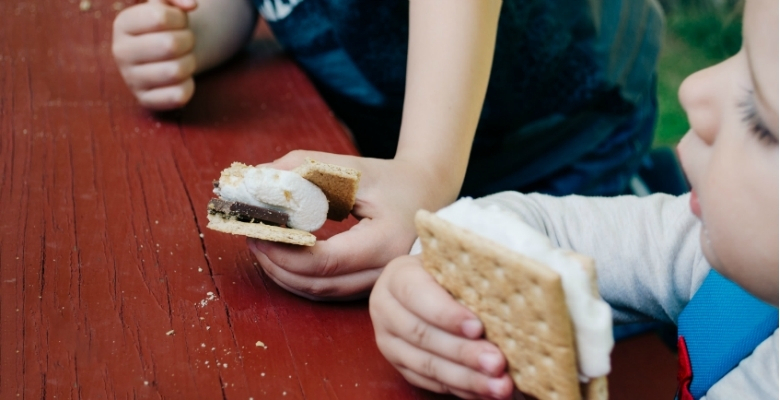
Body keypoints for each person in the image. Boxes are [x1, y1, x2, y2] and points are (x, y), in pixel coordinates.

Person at [112, 0, 662, 300]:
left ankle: (661, 203)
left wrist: (425, 170)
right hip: (390, 131)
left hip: (561, 135)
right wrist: (189, 34)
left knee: (565, 307)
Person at [368, 0, 778, 398]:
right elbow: (516, 226)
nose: (693, 88)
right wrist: (428, 280)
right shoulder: (695, 246)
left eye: (761, 119)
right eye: (738, 51)